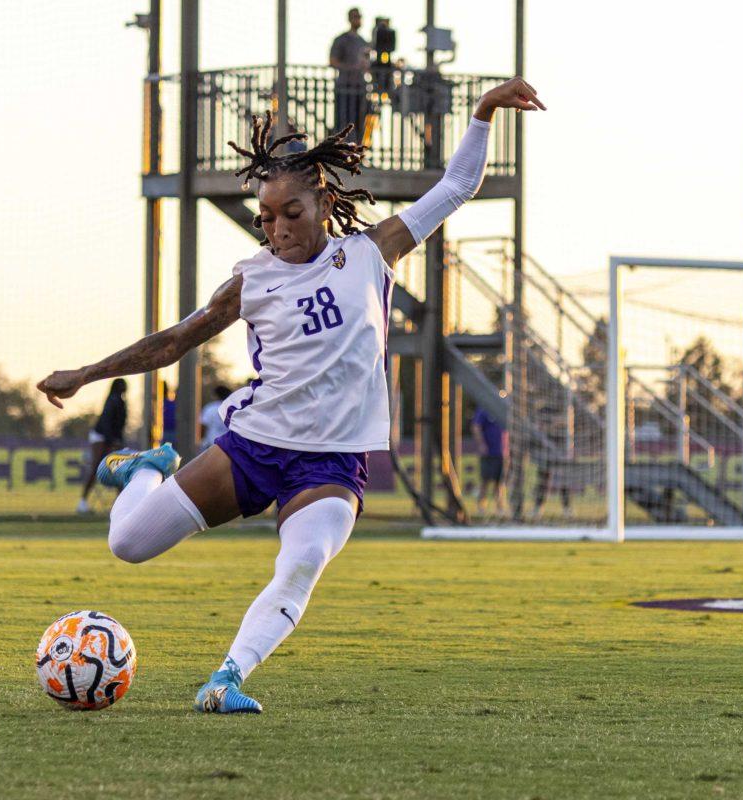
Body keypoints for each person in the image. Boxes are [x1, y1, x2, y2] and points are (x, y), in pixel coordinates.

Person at [37, 77, 545, 713]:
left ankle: (226, 680)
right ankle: (143, 471)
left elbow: (456, 187)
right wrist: (86, 373)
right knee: (127, 544)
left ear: (324, 202)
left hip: (332, 461)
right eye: (266, 217)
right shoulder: (249, 281)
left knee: (303, 559)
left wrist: (481, 114)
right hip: (256, 445)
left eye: (291, 214)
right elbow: (173, 342)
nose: (276, 228)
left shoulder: (370, 252)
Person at [76, 379, 127, 514]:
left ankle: (121, 505)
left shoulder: (122, 403)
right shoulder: (111, 401)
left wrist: (118, 442)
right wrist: (110, 442)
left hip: (112, 439)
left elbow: (120, 426)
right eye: (121, 386)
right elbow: (106, 423)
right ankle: (82, 503)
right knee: (95, 467)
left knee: (117, 469)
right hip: (100, 436)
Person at [329, 8, 370, 143]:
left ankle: (356, 150)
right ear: (350, 19)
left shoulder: (363, 42)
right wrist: (352, 68)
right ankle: (341, 150)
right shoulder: (341, 40)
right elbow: (333, 61)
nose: (357, 20)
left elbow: (368, 65)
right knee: (343, 121)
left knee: (359, 121)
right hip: (345, 86)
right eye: (355, 17)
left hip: (359, 87)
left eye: (359, 17)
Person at [471, 406, 507, 515]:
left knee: (499, 482)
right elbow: (476, 427)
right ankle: (481, 507)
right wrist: (481, 444)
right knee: (485, 481)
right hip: (488, 452)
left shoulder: (502, 409)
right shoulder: (483, 409)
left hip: (501, 452)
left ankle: (500, 508)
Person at [200, 385, 233, 451]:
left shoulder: (210, 408)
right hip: (229, 446)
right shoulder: (234, 408)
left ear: (216, 395)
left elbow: (203, 427)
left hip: (211, 445)